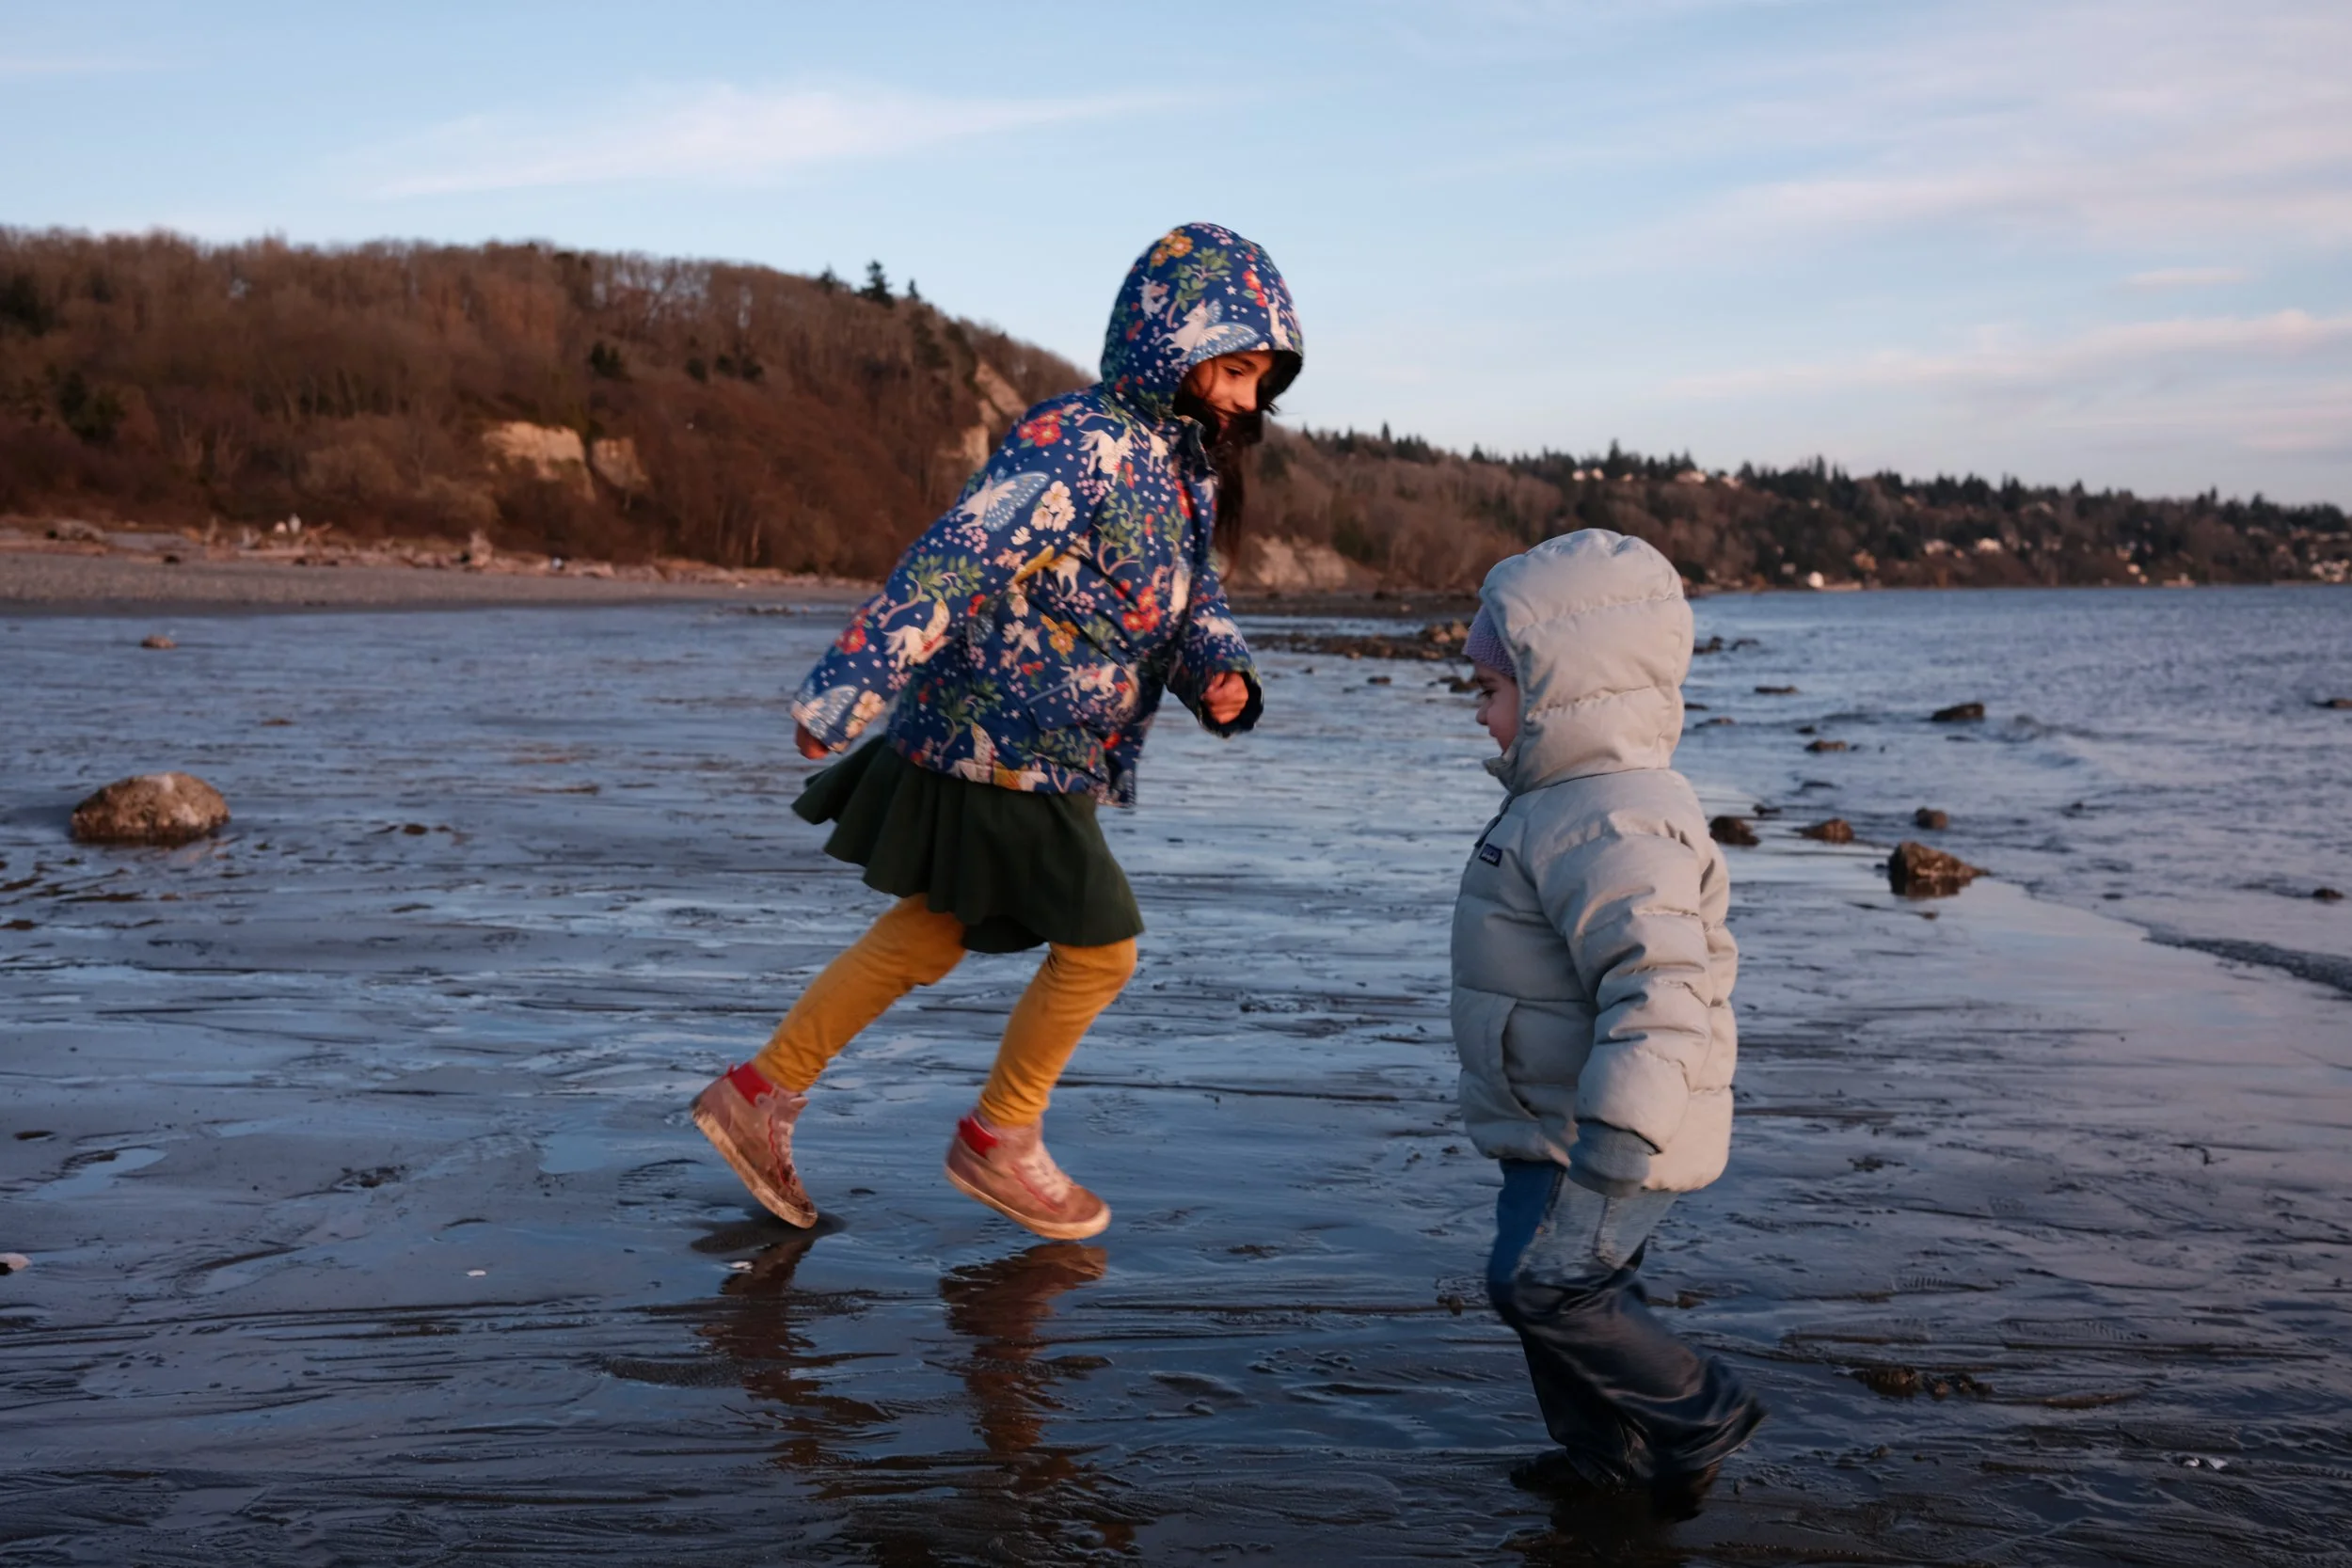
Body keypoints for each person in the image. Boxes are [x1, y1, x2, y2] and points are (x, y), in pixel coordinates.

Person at [691, 222, 1303, 1243]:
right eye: (1233, 369)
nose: (1246, 398)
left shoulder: (1182, 469)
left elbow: (1189, 598)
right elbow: (958, 557)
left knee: (930, 930)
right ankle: (998, 1135)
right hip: (1003, 735)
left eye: (1259, 379)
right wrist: (850, 683)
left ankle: (758, 1092)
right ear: (1171, 342)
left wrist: (1221, 672)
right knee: (1102, 950)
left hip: (1038, 747)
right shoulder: (1077, 439)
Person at [1452, 529, 1765, 1518]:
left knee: (1545, 1286)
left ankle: (1697, 1407)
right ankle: (1609, 1457)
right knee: (1566, 1299)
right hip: (1549, 1115)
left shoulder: (1612, 817)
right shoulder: (1561, 803)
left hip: (1601, 1129)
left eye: (1493, 692)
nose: (1481, 714)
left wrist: (1621, 1131)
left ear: (1563, 691)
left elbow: (1662, 984)